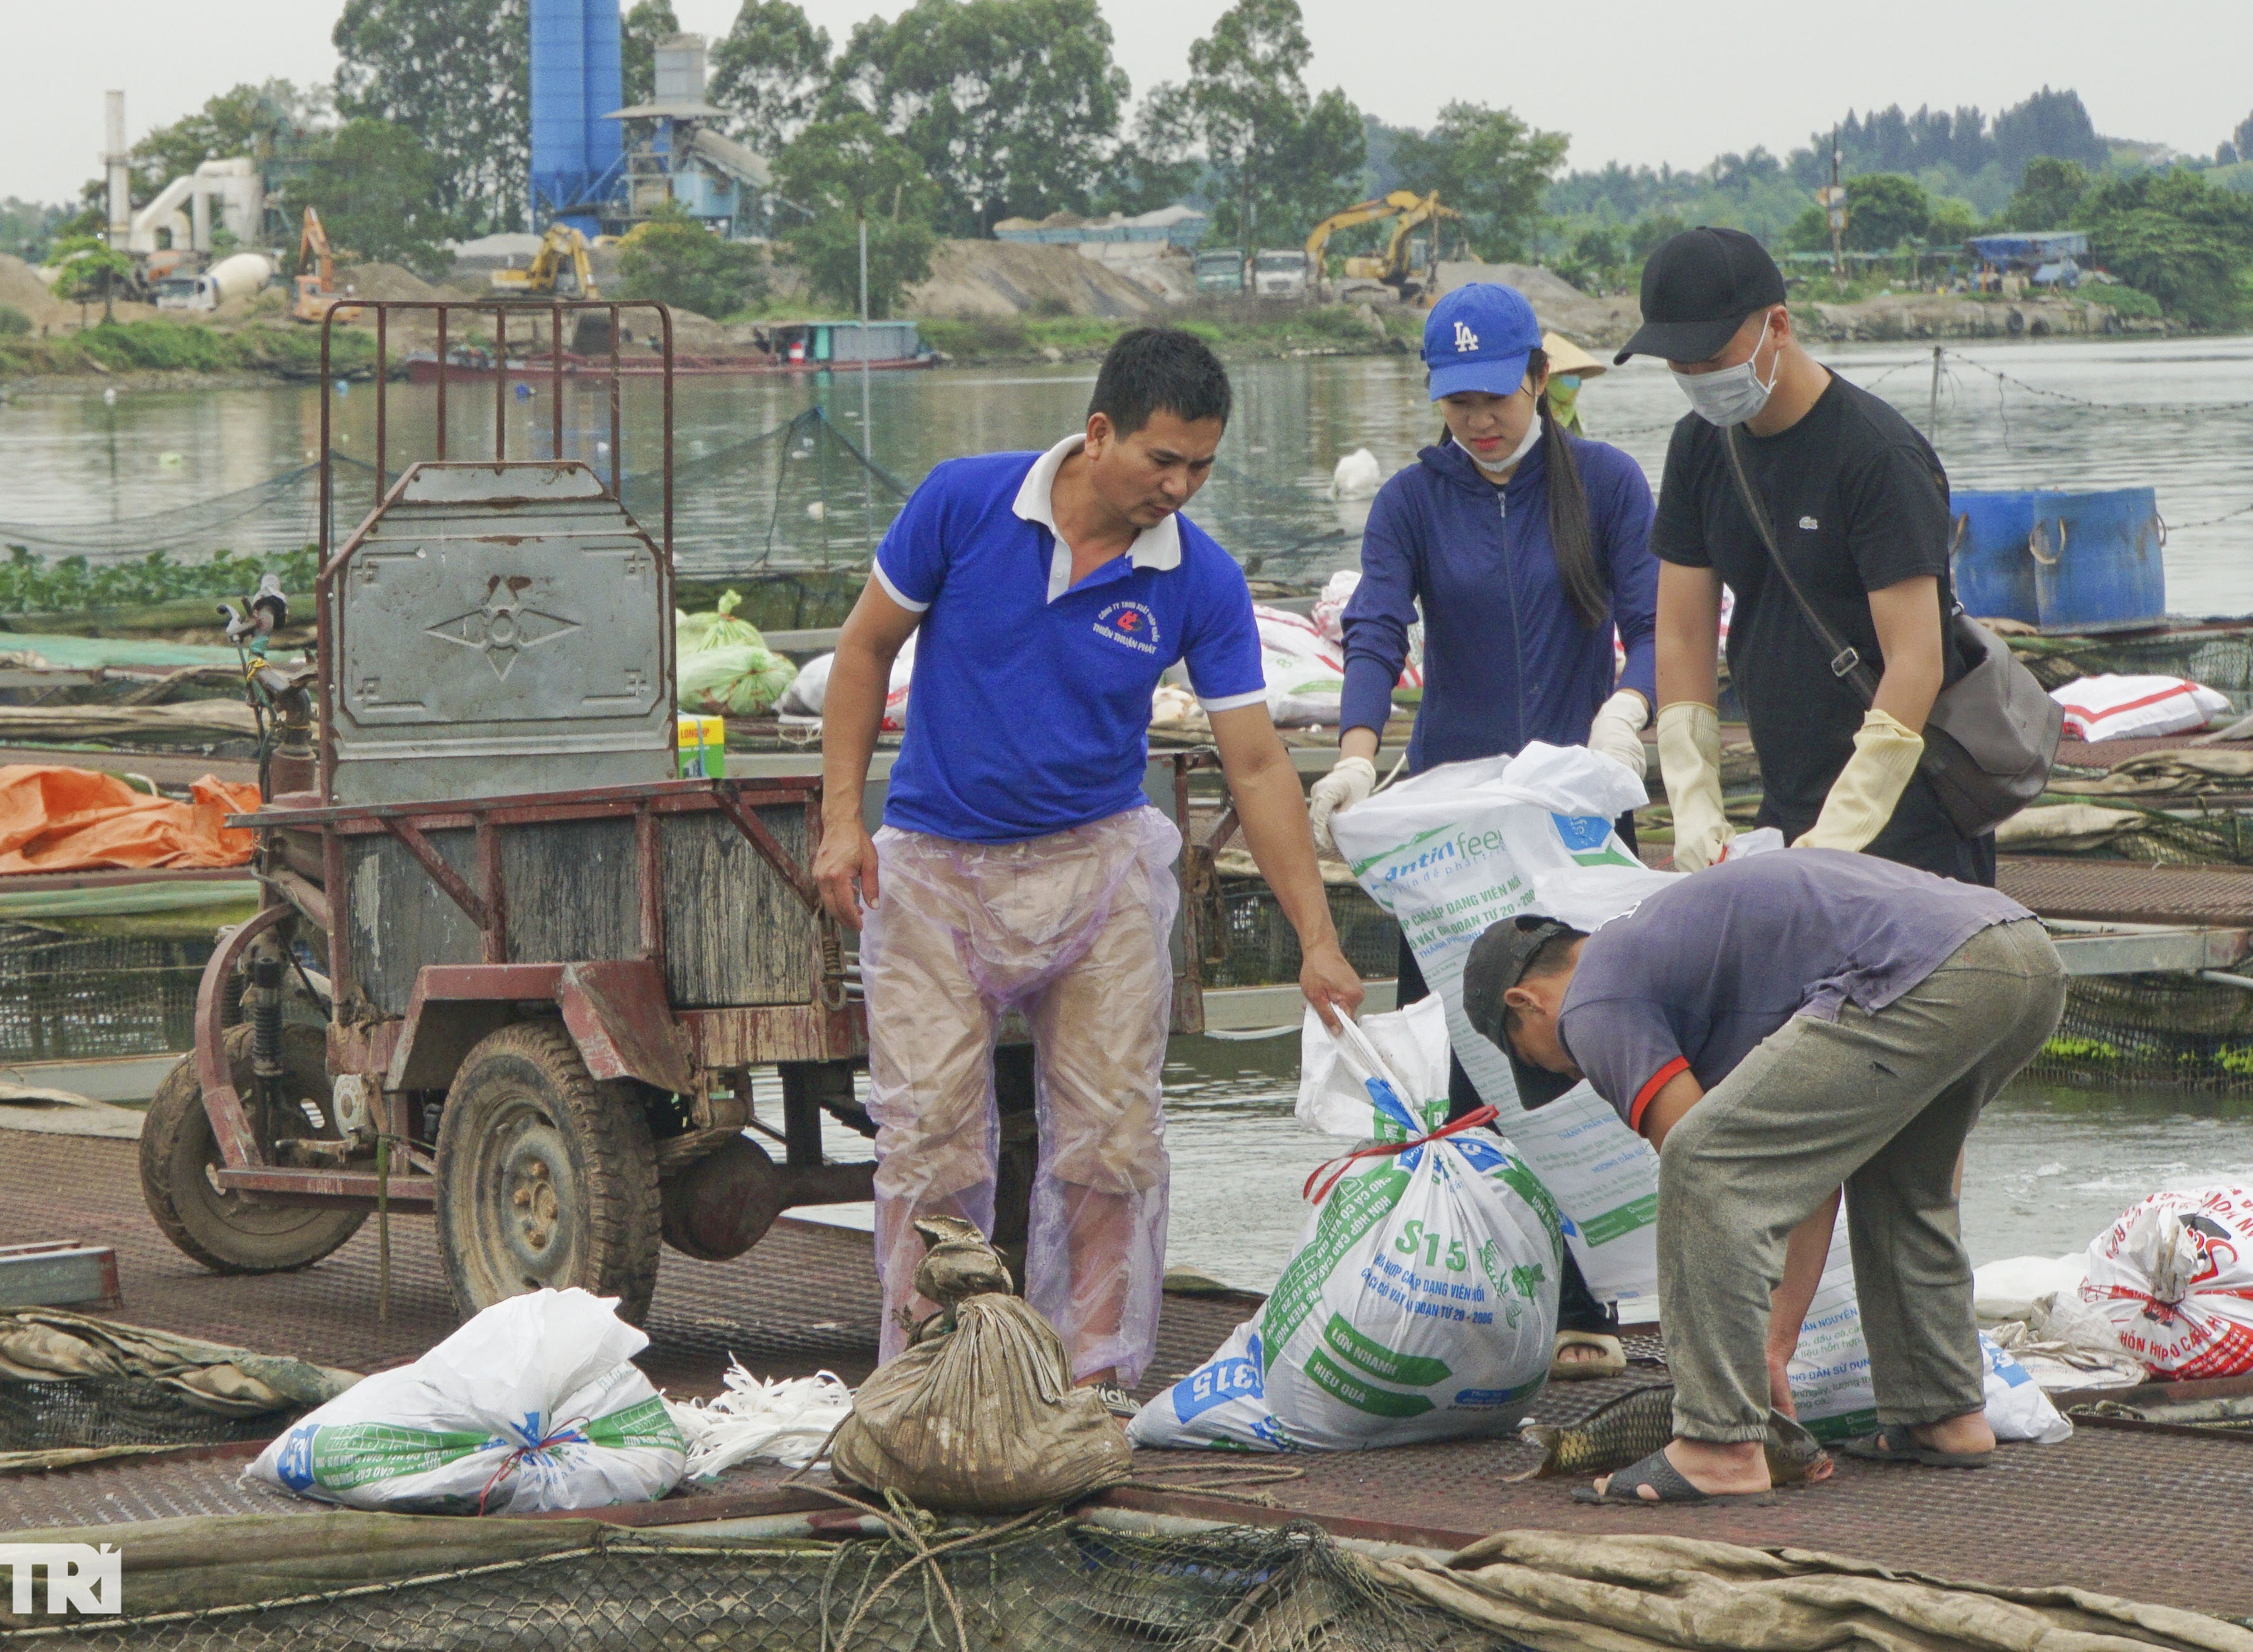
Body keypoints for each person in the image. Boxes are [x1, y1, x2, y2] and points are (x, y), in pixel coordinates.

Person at [814, 328, 1367, 1411]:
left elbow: (1253, 760)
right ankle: (936, 1378)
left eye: (1202, 465)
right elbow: (864, 647)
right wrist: (843, 821)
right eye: (1163, 459)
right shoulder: (963, 503)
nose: (1180, 486)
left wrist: (1318, 937)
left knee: (1114, 1134)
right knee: (929, 1141)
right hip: (933, 866)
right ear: (1099, 431)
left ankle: (1094, 1377)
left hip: (1098, 869)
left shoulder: (1194, 575)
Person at [1463, 851, 2066, 1504]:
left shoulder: (1591, 999)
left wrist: (1744, 1366)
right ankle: (1943, 1411)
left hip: (1920, 969)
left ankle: (1717, 1446)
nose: (1567, 1071)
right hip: (2017, 952)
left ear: (1524, 1000)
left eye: (1533, 1056)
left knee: (1701, 1161)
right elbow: (1797, 1174)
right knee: (1902, 1184)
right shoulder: (1669, 961)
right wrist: (1774, 1348)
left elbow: (1714, 1170)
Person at [1305, 281, 1661, 1379]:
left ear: (1540, 380)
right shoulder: (1413, 500)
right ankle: (1489, 1295)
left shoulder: (1602, 483)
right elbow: (1376, 623)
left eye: (1497, 396)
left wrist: (1629, 710)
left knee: (1593, 1045)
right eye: (1457, 402)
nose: (1479, 420)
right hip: (1453, 837)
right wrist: (1360, 748)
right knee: (1469, 1068)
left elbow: (1654, 620)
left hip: (1570, 819)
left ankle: (1601, 1291)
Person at [1619, 227, 1992, 885]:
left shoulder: (1876, 456)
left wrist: (1847, 824)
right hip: (1785, 803)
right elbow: (1680, 632)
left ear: (1778, 327)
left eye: (1710, 357)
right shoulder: (1700, 447)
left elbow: (1916, 657)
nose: (1697, 379)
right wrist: (1692, 793)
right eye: (1678, 365)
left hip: (1906, 809)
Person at [1540, 331, 1610, 436]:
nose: (1573, 381)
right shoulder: (1537, 415)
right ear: (1548, 379)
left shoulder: (1573, 414)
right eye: (1565, 375)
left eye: (1575, 374)